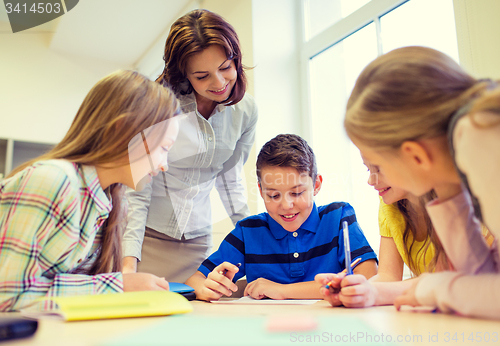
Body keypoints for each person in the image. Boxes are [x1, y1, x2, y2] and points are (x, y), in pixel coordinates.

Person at [0, 70, 179, 311]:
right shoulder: (53, 180)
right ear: (121, 131)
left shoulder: (111, 201)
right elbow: (7, 294)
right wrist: (118, 286)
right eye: (164, 147)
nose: (164, 164)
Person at [343, 46, 499, 319]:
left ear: (414, 154)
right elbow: (480, 276)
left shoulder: (482, 135)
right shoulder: (456, 163)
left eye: (378, 165)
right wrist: (448, 189)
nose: (374, 177)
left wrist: (434, 287)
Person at [122, 9, 258, 282]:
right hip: (146, 237)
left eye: (225, 68)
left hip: (197, 241)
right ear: (183, 74)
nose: (219, 84)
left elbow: (230, 179)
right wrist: (127, 266)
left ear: (236, 59)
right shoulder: (157, 107)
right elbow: (136, 192)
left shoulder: (246, 111)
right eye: (202, 75)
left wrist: (253, 240)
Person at [185, 134, 378, 301]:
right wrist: (207, 287)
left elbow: (368, 278)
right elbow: (194, 281)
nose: (286, 205)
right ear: (260, 191)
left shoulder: (338, 217)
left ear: (316, 185)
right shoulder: (248, 231)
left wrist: (283, 291)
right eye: (274, 196)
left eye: (297, 193)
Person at [316, 158, 449, 308]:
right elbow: (389, 276)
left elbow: (442, 280)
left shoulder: (454, 198)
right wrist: (354, 291)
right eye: (368, 169)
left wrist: (370, 292)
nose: (370, 180)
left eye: (379, 169)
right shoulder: (390, 204)